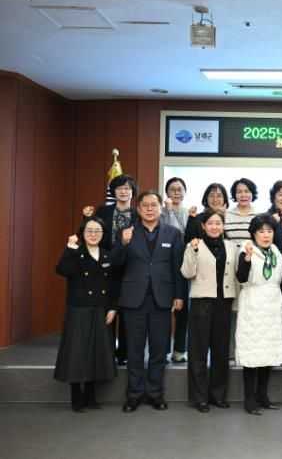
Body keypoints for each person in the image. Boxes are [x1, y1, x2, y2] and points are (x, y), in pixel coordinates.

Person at [111, 190, 186, 413]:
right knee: (134, 350)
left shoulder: (173, 234)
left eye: (154, 205)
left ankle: (155, 394)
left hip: (162, 299)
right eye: (145, 205)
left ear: (161, 208)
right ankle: (134, 395)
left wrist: (179, 295)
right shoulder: (127, 232)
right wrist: (123, 244)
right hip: (133, 299)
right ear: (138, 208)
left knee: (159, 350)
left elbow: (178, 267)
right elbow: (115, 264)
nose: (150, 209)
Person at [54, 217, 117, 412]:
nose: (93, 234)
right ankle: (76, 399)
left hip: (100, 309)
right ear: (82, 233)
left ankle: (91, 397)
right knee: (77, 353)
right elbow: (62, 270)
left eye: (97, 231)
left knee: (95, 352)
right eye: (89, 230)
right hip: (79, 309)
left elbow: (112, 285)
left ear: (103, 234)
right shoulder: (76, 252)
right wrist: (69, 248)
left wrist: (112, 308)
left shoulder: (107, 255)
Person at [180, 209, 239, 413]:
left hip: (224, 302)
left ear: (223, 226)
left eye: (218, 223)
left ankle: (218, 395)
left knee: (221, 352)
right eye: (211, 223)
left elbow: (236, 276)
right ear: (203, 226)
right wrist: (193, 251)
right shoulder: (194, 245)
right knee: (198, 352)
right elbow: (187, 273)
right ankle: (199, 398)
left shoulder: (232, 247)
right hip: (201, 302)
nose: (215, 227)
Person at [235, 214, 282, 415]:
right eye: (261, 231)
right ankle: (250, 400)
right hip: (253, 305)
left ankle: (263, 397)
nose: (266, 235)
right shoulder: (247, 249)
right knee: (252, 354)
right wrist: (247, 259)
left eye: (269, 231)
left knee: (268, 352)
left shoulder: (275, 250)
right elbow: (241, 277)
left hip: (273, 306)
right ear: (253, 234)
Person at [82, 174, 138, 366]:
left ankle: (124, 353)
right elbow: (91, 230)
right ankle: (106, 353)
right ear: (113, 191)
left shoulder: (138, 214)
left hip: (131, 268)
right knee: (107, 310)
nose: (123, 191)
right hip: (106, 267)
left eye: (127, 188)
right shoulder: (103, 211)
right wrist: (86, 217)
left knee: (127, 311)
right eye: (119, 188)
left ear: (133, 192)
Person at [224, 178, 259, 360]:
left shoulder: (259, 215)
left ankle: (248, 350)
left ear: (252, 194)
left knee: (249, 307)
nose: (243, 195)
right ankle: (232, 351)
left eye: (247, 191)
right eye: (239, 191)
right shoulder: (226, 215)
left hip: (251, 266)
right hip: (229, 266)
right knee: (232, 308)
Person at [160, 177, 189, 364]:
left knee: (183, 310)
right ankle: (162, 350)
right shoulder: (161, 212)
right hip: (164, 264)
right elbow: (170, 233)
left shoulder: (189, 213)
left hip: (184, 266)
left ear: (185, 192)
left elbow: (182, 236)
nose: (176, 193)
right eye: (172, 189)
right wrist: (169, 211)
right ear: (167, 192)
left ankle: (179, 350)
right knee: (162, 310)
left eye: (180, 189)